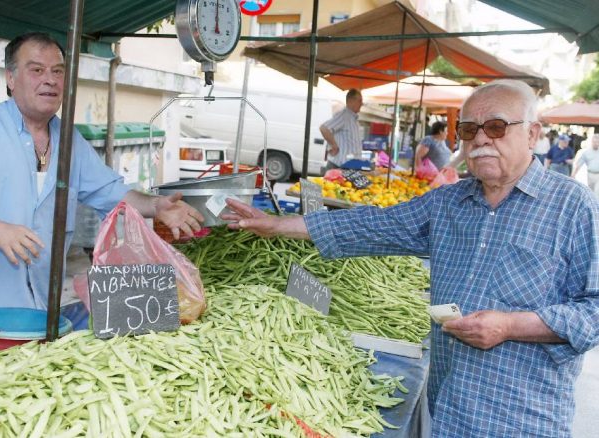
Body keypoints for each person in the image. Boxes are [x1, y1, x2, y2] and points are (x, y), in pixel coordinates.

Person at [222, 79, 599, 437]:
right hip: (450, 407)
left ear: (532, 134)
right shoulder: (450, 202)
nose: (481, 139)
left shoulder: (574, 206)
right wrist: (274, 224)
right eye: (468, 130)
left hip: (522, 417)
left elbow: (594, 311)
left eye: (496, 127)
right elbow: (373, 225)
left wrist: (511, 325)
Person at [0, 33, 204, 350]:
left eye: (58, 71)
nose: (49, 80)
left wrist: (157, 204)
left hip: (40, 318)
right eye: (36, 70)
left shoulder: (69, 140)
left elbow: (110, 191)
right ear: (10, 77)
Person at [320, 88, 362, 170]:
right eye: (359, 101)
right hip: (339, 166)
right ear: (351, 101)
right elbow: (324, 128)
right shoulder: (344, 116)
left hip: (351, 166)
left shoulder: (353, 119)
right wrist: (334, 145)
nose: (361, 104)